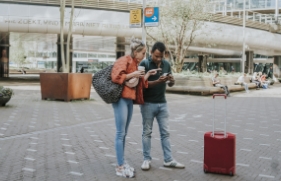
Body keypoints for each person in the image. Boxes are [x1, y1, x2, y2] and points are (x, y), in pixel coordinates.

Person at [111, 37, 159, 178]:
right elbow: (116, 77)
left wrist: (147, 74)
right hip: (120, 99)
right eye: (143, 53)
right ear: (135, 51)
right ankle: (120, 167)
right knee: (120, 133)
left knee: (124, 133)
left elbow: (136, 83)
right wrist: (133, 74)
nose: (144, 55)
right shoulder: (124, 60)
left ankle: (121, 162)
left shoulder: (136, 63)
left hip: (129, 100)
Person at [139, 42, 185, 170]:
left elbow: (170, 84)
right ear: (151, 53)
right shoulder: (145, 64)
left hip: (163, 104)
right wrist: (157, 81)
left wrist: (171, 80)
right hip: (147, 104)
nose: (159, 59)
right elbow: (141, 85)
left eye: (161, 56)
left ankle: (168, 159)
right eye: (156, 56)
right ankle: (146, 159)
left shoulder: (166, 64)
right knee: (147, 132)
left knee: (165, 133)